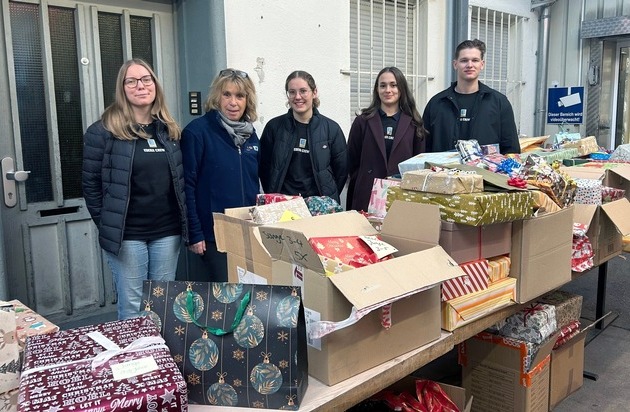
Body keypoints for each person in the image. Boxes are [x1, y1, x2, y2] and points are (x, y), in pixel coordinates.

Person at [82, 59, 187, 320]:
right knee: (132, 308)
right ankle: (133, 349)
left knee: (162, 306)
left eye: (146, 79)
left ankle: (159, 349)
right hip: (127, 236)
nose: (141, 86)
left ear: (155, 85)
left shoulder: (169, 130)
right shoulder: (103, 132)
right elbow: (91, 185)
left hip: (167, 232)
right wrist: (108, 223)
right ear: (122, 88)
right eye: (132, 81)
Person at [181, 69, 260, 283]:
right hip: (214, 235)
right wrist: (195, 233)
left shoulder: (250, 134)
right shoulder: (197, 132)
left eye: (240, 96)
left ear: (247, 100)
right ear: (217, 96)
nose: (233, 102)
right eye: (227, 94)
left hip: (247, 230)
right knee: (226, 293)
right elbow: (187, 187)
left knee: (248, 291)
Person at [259, 70, 347, 203]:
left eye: (303, 91)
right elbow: (264, 167)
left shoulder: (331, 129)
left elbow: (341, 171)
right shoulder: (274, 127)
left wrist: (327, 197)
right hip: (283, 204)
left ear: (314, 92)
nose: (297, 97)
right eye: (292, 92)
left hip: (320, 206)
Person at [346, 66, 426, 212]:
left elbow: (419, 165)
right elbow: (352, 161)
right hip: (367, 194)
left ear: (401, 88)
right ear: (377, 90)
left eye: (393, 85)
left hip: (401, 194)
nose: (388, 90)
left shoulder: (414, 124)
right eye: (383, 85)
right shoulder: (362, 122)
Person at [423, 39, 521, 154]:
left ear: (482, 64)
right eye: (464, 60)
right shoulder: (436, 103)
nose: (470, 65)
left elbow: (511, 148)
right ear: (455, 64)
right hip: (442, 166)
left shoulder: (499, 102)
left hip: (486, 166)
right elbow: (424, 147)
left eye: (475, 60)